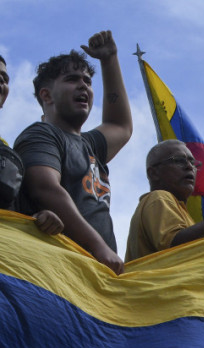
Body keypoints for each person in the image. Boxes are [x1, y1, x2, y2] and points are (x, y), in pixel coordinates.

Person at [14, 31, 132, 274]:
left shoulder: (91, 145)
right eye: (72, 79)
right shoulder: (41, 134)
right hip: (59, 268)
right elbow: (45, 189)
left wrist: (110, 60)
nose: (83, 86)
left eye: (88, 81)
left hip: (99, 270)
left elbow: (121, 126)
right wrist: (99, 248)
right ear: (46, 95)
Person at [125, 140, 204, 261]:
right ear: (153, 173)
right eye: (178, 160)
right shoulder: (158, 197)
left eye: (193, 163)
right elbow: (179, 250)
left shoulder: (182, 213)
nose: (189, 167)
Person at [0, 54, 63, 235]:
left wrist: (38, 218)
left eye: (5, 79)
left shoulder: (9, 158)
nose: (1, 81)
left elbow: (14, 210)